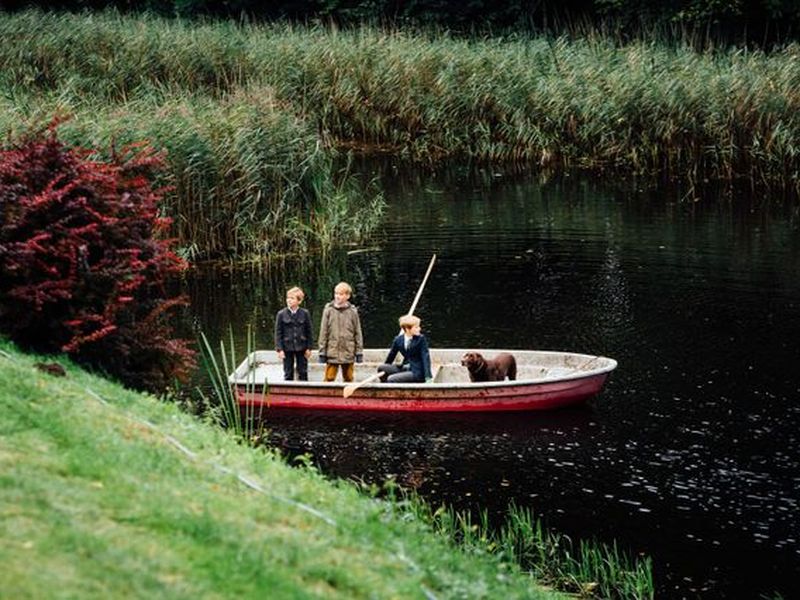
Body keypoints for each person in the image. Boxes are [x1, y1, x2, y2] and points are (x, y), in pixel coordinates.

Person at [318, 281, 364, 382]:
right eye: (336, 293)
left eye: (340, 294)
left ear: (347, 296)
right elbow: (323, 332)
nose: (337, 296)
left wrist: (359, 352)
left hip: (348, 351)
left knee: (348, 378)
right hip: (332, 351)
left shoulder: (353, 312)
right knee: (329, 378)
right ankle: (327, 396)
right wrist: (322, 352)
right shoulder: (328, 310)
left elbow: (358, 333)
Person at [377, 314, 433, 383]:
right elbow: (391, 356)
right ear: (407, 329)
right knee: (381, 368)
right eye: (416, 327)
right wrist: (386, 368)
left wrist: (428, 376)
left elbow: (425, 357)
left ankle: (392, 387)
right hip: (404, 367)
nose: (419, 329)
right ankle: (385, 387)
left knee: (391, 379)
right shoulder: (398, 340)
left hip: (416, 371)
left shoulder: (421, 339)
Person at [274, 286, 313, 381]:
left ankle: (304, 390)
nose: (289, 300)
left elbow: (309, 331)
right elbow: (278, 333)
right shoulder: (281, 314)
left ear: (299, 301)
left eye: (292, 298)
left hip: (302, 347)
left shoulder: (305, 313)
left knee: (303, 371)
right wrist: (279, 349)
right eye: (288, 298)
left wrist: (309, 348)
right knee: (288, 372)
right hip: (287, 348)